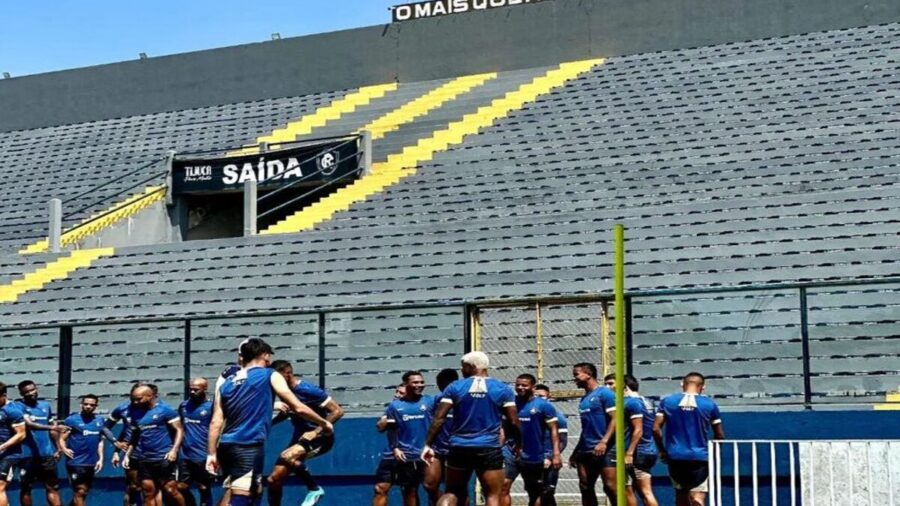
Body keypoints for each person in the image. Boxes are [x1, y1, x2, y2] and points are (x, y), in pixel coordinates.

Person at [206, 338, 333, 506]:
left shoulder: (227, 383)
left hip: (226, 446)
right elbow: (298, 407)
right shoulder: (270, 375)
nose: (270, 360)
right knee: (241, 497)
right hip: (248, 446)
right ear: (264, 355)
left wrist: (211, 454)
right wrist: (324, 424)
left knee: (253, 489)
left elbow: (216, 421)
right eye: (269, 356)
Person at [422, 351, 520, 506]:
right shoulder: (502, 388)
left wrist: (428, 444)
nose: (462, 370)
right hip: (489, 447)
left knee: (452, 491)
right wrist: (519, 446)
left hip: (459, 446)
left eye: (463, 367)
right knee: (493, 495)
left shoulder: (455, 387)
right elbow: (514, 421)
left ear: (471, 366)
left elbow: (438, 419)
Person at [269, 360, 344, 506]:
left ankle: (314, 488)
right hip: (300, 439)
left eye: (276, 377)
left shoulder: (308, 390)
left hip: (320, 438)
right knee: (273, 480)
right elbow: (289, 412)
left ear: (288, 374)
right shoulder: (284, 392)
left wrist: (315, 432)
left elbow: (338, 411)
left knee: (287, 455)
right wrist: (269, 424)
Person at [653, 372, 725, 506]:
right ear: (703, 387)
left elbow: (656, 429)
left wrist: (662, 450)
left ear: (682, 384)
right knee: (698, 497)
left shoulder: (667, 402)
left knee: (681, 494)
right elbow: (720, 435)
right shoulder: (709, 404)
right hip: (699, 457)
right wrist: (714, 453)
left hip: (675, 456)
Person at [500, 374, 562, 506]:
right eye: (517, 385)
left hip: (534, 454)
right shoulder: (510, 404)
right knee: (503, 486)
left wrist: (555, 454)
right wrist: (499, 447)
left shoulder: (544, 406)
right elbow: (503, 428)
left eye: (524, 385)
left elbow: (554, 430)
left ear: (533, 388)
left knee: (534, 492)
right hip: (511, 452)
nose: (520, 387)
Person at [379, 371, 434, 506]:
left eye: (421, 382)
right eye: (415, 382)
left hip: (428, 455)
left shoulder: (430, 401)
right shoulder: (395, 406)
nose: (420, 385)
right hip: (407, 456)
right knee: (410, 490)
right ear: (406, 384)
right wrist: (395, 448)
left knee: (432, 488)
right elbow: (391, 429)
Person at [126, 384, 186, 506]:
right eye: (134, 399)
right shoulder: (135, 414)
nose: (136, 402)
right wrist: (128, 454)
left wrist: (174, 450)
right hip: (145, 460)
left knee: (170, 490)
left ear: (150, 396)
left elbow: (179, 430)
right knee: (148, 493)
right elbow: (135, 436)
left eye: (139, 399)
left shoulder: (165, 411)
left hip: (163, 458)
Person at [570, 365, 617, 506]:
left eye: (576, 374)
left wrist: (604, 441)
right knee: (585, 486)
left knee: (611, 487)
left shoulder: (605, 394)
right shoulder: (584, 399)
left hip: (606, 449)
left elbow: (616, 418)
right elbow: (587, 427)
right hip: (586, 449)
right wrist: (576, 451)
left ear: (588, 374)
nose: (574, 378)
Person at [15, 380, 67, 506]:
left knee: (52, 487)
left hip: (46, 454)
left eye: (32, 390)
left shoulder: (45, 406)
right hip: (26, 455)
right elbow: (29, 425)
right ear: (21, 394)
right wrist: (53, 428)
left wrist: (59, 447)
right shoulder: (17, 406)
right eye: (26, 392)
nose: (31, 393)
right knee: (26, 489)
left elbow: (52, 428)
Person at [59, 395, 105, 506]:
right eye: (86, 404)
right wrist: (64, 448)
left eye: (92, 405)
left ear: (96, 406)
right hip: (76, 462)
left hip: (91, 462)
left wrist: (101, 459)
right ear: (81, 405)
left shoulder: (100, 421)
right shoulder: (72, 420)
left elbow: (100, 441)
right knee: (80, 490)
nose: (88, 406)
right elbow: (62, 438)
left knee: (84, 492)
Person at [423, 368, 458, 504]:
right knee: (429, 484)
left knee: (456, 489)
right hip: (437, 448)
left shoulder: (462, 398)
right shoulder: (436, 400)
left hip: (457, 448)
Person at [105, 384, 143, 506]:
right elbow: (105, 427)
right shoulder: (123, 409)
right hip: (132, 452)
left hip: (153, 451)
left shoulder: (156, 409)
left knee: (152, 487)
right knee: (133, 486)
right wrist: (116, 445)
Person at [623, 375, 658, 506]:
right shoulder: (648, 401)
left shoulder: (630, 402)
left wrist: (629, 453)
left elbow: (638, 430)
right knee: (646, 491)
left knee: (628, 489)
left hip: (636, 451)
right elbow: (653, 427)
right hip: (649, 449)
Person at [178, 378, 214, 506]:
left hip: (202, 453)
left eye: (196, 389)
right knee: (181, 486)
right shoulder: (183, 406)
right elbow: (179, 427)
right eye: (190, 389)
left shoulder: (212, 407)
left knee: (203, 487)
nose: (192, 392)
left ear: (205, 389)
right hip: (185, 454)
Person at [533, 384, 567, 506]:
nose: (538, 398)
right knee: (535, 493)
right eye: (535, 395)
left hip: (550, 460)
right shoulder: (529, 414)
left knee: (547, 492)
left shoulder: (558, 416)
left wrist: (550, 457)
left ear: (549, 397)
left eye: (541, 396)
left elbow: (563, 441)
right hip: (533, 459)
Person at [373, 384, 406, 506]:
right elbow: (380, 426)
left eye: (401, 393)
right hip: (390, 455)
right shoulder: (392, 409)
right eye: (396, 391)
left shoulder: (418, 408)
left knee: (410, 491)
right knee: (380, 488)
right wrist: (386, 419)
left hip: (410, 455)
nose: (396, 395)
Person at [0, 382, 26, 506]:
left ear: (3, 395)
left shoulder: (12, 411)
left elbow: (21, 434)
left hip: (8, 455)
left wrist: (2, 447)